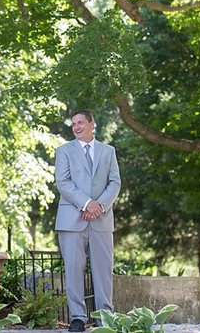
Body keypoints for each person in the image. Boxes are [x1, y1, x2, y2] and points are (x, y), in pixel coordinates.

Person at [55, 110, 121, 332]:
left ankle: (105, 318)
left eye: (81, 122)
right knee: (73, 269)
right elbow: (63, 182)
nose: (76, 127)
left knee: (103, 270)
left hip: (101, 220)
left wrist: (99, 206)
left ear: (92, 123)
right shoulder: (63, 151)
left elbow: (115, 182)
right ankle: (78, 318)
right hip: (71, 220)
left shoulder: (108, 151)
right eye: (73, 124)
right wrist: (86, 204)